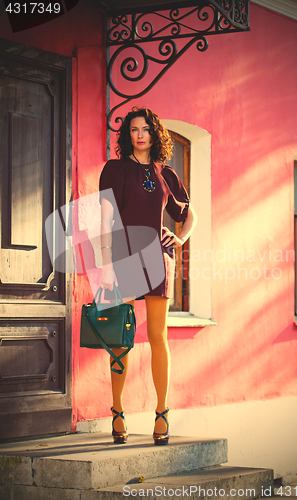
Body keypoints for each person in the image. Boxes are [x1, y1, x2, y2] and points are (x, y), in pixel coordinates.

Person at [99, 107, 197, 445]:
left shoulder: (167, 174)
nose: (140, 134)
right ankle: (117, 412)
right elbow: (105, 220)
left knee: (158, 336)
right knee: (121, 338)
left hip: (157, 259)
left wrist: (180, 237)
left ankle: (161, 413)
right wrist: (107, 265)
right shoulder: (114, 170)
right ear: (127, 135)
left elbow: (188, 213)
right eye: (134, 129)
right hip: (124, 258)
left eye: (146, 129)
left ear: (155, 134)